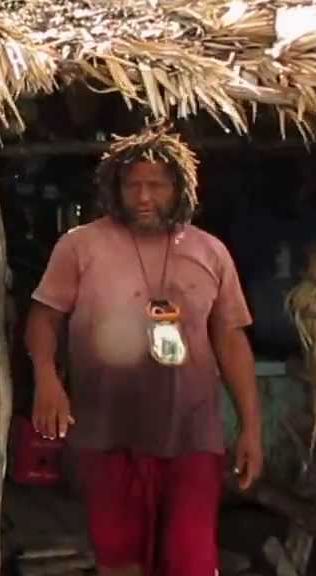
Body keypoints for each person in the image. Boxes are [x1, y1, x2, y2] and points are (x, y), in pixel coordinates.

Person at [24, 124, 262, 576]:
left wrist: (250, 426)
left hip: (193, 435)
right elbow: (43, 317)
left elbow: (230, 339)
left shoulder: (210, 252)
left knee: (191, 561)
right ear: (116, 189)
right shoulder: (81, 245)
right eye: (132, 185)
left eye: (156, 185)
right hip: (107, 432)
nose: (144, 196)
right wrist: (46, 378)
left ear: (179, 189)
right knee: (120, 561)